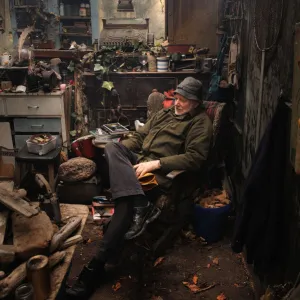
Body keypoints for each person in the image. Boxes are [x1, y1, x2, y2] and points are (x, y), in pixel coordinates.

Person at [66, 77, 213, 299]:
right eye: (177, 98)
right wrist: (122, 156)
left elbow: (196, 157)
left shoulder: (200, 123)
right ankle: (139, 203)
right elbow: (139, 136)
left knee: (123, 205)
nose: (177, 103)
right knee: (114, 148)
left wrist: (156, 164)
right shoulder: (165, 113)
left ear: (195, 102)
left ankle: (94, 269)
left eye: (183, 100)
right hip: (138, 163)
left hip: (159, 172)